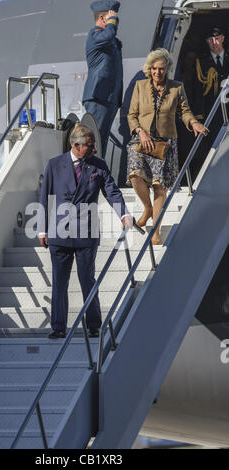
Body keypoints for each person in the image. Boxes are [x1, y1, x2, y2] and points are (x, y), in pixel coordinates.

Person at [38, 124, 133, 339]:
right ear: (76, 145)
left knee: (87, 279)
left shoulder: (98, 165)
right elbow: (45, 198)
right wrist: (42, 230)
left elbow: (112, 192)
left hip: (86, 232)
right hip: (59, 232)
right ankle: (58, 327)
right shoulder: (54, 165)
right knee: (59, 283)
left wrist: (124, 214)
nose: (94, 150)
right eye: (90, 146)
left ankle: (93, 325)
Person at [127, 48, 208, 245]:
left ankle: (155, 231)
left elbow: (184, 111)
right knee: (135, 176)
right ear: (149, 69)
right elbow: (132, 115)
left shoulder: (176, 88)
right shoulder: (140, 86)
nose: (157, 72)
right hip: (141, 139)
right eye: (154, 69)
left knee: (159, 188)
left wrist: (193, 123)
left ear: (167, 69)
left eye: (161, 69)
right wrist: (141, 132)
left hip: (164, 143)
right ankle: (147, 208)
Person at [82, 0, 123, 158]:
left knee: (101, 142)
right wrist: (112, 24)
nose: (116, 20)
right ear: (102, 17)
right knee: (93, 141)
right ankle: (88, 176)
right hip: (98, 96)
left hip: (109, 97)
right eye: (112, 16)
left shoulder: (111, 41)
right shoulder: (94, 36)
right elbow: (108, 35)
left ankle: (97, 175)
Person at [189, 26, 229, 180]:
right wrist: (199, 118)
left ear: (223, 38)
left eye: (217, 38)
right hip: (211, 113)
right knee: (211, 149)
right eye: (210, 39)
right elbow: (197, 91)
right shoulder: (201, 62)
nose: (214, 42)